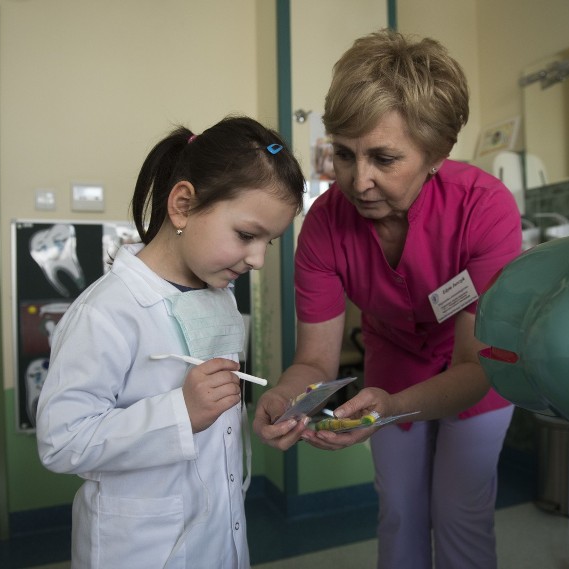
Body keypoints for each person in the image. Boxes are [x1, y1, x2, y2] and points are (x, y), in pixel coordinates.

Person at [253, 30, 521, 569]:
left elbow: (474, 365)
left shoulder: (484, 209)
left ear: (436, 155)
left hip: (479, 369)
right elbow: (315, 361)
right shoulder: (326, 226)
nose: (359, 180)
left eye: (384, 158)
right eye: (345, 154)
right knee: (398, 511)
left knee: (460, 513)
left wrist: (392, 409)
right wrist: (286, 397)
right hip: (393, 363)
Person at [36, 116, 305, 569]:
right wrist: (178, 413)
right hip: (140, 548)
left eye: (270, 242)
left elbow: (214, 411)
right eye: (246, 235)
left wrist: (253, 419)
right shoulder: (105, 312)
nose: (257, 259)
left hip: (220, 533)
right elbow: (62, 440)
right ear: (182, 205)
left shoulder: (219, 295)